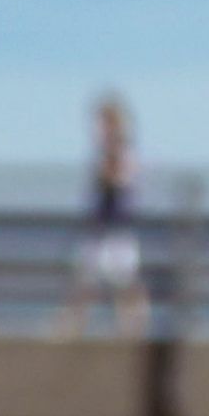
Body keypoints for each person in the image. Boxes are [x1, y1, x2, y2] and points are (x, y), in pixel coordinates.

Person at [61, 93, 146, 338]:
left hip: (115, 227)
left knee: (121, 281)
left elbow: (119, 180)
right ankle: (73, 325)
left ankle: (133, 327)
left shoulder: (119, 150)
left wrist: (107, 171)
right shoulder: (110, 151)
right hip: (103, 227)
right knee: (87, 278)